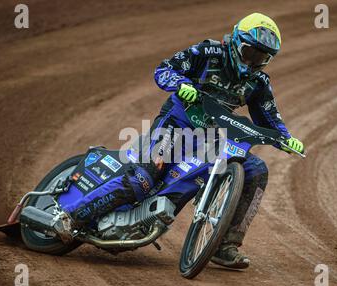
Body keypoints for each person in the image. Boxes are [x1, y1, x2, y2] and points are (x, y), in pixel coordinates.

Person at [60, 13, 304, 269]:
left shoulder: (258, 82)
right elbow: (165, 69)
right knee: (145, 177)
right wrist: (180, 83)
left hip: (212, 138)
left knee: (256, 170)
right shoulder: (208, 52)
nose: (253, 63)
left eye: (262, 58)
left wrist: (286, 139)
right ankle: (71, 217)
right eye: (250, 53)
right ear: (235, 41)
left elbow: (270, 119)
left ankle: (224, 245)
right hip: (177, 124)